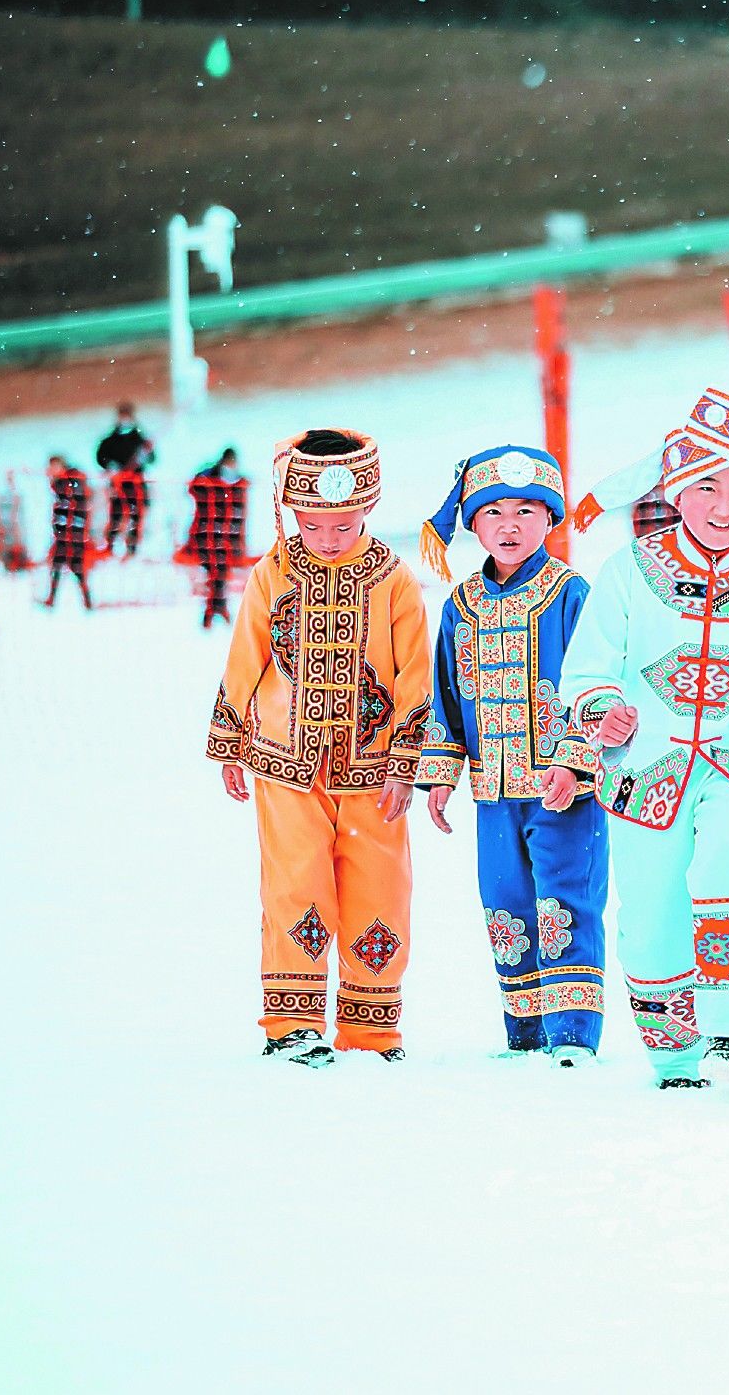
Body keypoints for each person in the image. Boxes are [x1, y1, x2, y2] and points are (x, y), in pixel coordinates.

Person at [560, 387, 729, 1089]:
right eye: (706, 484)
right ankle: (675, 1057)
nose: (724, 505)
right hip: (645, 771)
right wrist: (603, 709)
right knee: (648, 913)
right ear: (677, 490)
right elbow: (586, 669)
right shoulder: (626, 574)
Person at [205, 430, 432, 1066]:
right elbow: (245, 656)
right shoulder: (269, 574)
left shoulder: (393, 579)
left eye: (343, 524)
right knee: (293, 887)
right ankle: (291, 1023)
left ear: (368, 508)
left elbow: (415, 671)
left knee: (379, 891)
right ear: (292, 511)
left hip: (374, 768)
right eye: (313, 523)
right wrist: (230, 741)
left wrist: (407, 762)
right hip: (284, 763)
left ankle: (371, 1024)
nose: (328, 537)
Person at [415, 446, 608, 1065]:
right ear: (473, 523)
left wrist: (575, 758)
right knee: (506, 905)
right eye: (493, 511)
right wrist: (441, 773)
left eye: (528, 510)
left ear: (550, 519)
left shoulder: (570, 594)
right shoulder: (460, 606)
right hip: (492, 794)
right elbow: (445, 694)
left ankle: (573, 1036)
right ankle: (524, 1034)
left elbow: (597, 680)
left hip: (563, 788)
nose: (510, 524)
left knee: (565, 901)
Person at [183, 448, 251, 628]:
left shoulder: (238, 483)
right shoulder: (209, 480)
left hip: (226, 538)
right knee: (217, 572)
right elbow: (194, 490)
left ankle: (214, 611)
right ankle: (217, 610)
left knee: (218, 573)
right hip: (207, 537)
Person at [95, 402, 156, 557]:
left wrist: (145, 456)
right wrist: (110, 465)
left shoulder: (140, 439)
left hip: (136, 485)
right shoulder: (110, 440)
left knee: (136, 517)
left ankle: (132, 548)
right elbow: (100, 456)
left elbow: (153, 458)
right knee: (115, 515)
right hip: (118, 484)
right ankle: (110, 546)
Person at [42, 455, 93, 609]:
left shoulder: (73, 480)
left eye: (54, 467)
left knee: (76, 568)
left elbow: (78, 497)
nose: (51, 470)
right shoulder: (60, 484)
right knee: (57, 566)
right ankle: (52, 599)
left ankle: (87, 601)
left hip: (74, 533)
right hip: (63, 534)